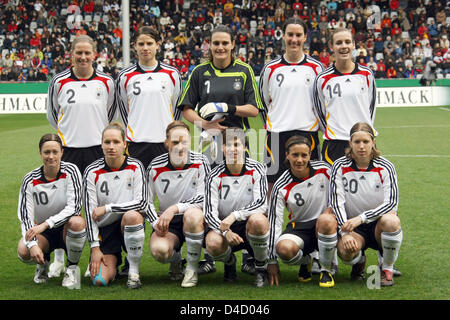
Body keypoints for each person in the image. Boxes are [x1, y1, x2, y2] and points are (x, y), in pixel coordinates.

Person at [177, 24, 264, 274]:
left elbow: (254, 109)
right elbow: (186, 109)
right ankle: (211, 252)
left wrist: (227, 108)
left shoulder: (244, 70)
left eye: (225, 43)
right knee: (210, 194)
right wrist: (205, 123)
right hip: (209, 141)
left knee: (242, 193)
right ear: (209, 45)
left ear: (232, 44)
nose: (220, 47)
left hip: (238, 141)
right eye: (216, 43)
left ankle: (248, 252)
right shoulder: (200, 72)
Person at [46, 34, 116, 279]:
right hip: (68, 151)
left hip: (98, 151)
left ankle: (92, 258)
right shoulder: (59, 81)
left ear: (95, 54)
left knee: (94, 207)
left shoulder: (107, 82)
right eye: (79, 53)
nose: (84, 57)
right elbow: (53, 115)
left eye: (88, 53)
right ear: (72, 54)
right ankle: (58, 256)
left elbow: (111, 113)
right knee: (65, 205)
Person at [328, 122, 402, 286]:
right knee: (345, 252)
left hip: (378, 225)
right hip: (352, 226)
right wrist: (345, 233)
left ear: (373, 142)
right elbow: (336, 201)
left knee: (392, 221)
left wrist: (362, 218)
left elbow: (391, 203)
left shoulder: (386, 166)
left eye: (366, 142)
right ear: (350, 143)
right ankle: (359, 260)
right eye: (357, 142)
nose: (361, 146)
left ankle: (387, 268)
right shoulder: (339, 166)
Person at [259, 17, 324, 196]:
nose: (294, 39)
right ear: (283, 36)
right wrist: (275, 122)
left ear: (305, 37)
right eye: (290, 35)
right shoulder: (270, 68)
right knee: (272, 183)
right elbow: (264, 102)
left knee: (311, 183)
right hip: (276, 134)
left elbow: (321, 103)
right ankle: (271, 223)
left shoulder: (317, 68)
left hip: (307, 133)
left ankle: (310, 223)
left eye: (298, 35)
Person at [145, 121, 210, 288]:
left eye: (184, 142)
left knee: (193, 215)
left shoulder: (201, 162)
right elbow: (147, 202)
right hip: (168, 223)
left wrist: (174, 208)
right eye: (175, 142)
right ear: (166, 143)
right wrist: (156, 223)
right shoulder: (154, 166)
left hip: (194, 218)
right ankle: (176, 259)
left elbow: (204, 198)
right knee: (159, 251)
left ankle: (192, 269)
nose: (180, 147)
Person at [17, 134, 86, 289]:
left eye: (55, 152)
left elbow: (74, 207)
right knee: (24, 249)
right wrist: (33, 243)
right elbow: (25, 216)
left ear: (62, 152)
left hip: (65, 228)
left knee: (77, 222)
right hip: (43, 233)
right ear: (40, 153)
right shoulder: (29, 179)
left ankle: (72, 269)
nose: (51, 156)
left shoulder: (71, 171)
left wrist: (46, 224)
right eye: (46, 152)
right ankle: (43, 265)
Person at [83, 123, 148, 288]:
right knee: (100, 280)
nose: (111, 146)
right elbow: (89, 214)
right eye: (107, 142)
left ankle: (133, 271)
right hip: (106, 229)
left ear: (124, 144)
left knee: (132, 215)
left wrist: (108, 208)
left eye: (116, 142)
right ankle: (114, 260)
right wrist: (94, 248)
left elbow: (142, 202)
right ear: (101, 144)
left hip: (129, 223)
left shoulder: (136, 166)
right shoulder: (91, 171)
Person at [204, 128, 270, 287]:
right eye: (228, 145)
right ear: (222, 148)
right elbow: (209, 213)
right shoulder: (213, 175)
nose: (233, 149)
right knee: (212, 243)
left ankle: (261, 269)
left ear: (245, 148)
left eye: (237, 144)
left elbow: (261, 204)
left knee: (259, 221)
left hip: (248, 225)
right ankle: (229, 262)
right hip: (224, 226)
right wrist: (225, 231)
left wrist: (235, 215)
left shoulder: (257, 169)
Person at [266, 135, 335, 288]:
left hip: (325, 225)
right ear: (287, 156)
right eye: (295, 155)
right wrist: (271, 260)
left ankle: (326, 269)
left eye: (304, 155)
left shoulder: (325, 170)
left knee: (326, 221)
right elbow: (275, 222)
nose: (299, 160)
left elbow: (338, 197)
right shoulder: (281, 185)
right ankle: (306, 260)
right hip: (299, 228)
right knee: (284, 250)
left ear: (310, 155)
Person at [116, 26, 183, 169]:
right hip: (136, 142)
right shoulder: (124, 76)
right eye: (141, 44)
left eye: (149, 43)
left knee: (166, 187)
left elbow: (177, 109)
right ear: (134, 46)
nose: (145, 48)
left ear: (158, 45)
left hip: (164, 141)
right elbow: (123, 111)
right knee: (138, 187)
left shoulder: (172, 74)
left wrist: (171, 133)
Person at [313, 28, 376, 166]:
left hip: (362, 142)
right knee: (333, 186)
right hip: (334, 144)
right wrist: (334, 132)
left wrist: (364, 133)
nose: (344, 46)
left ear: (354, 45)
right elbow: (320, 113)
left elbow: (371, 109)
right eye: (339, 42)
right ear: (331, 46)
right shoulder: (322, 79)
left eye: (347, 42)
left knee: (365, 185)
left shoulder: (367, 75)